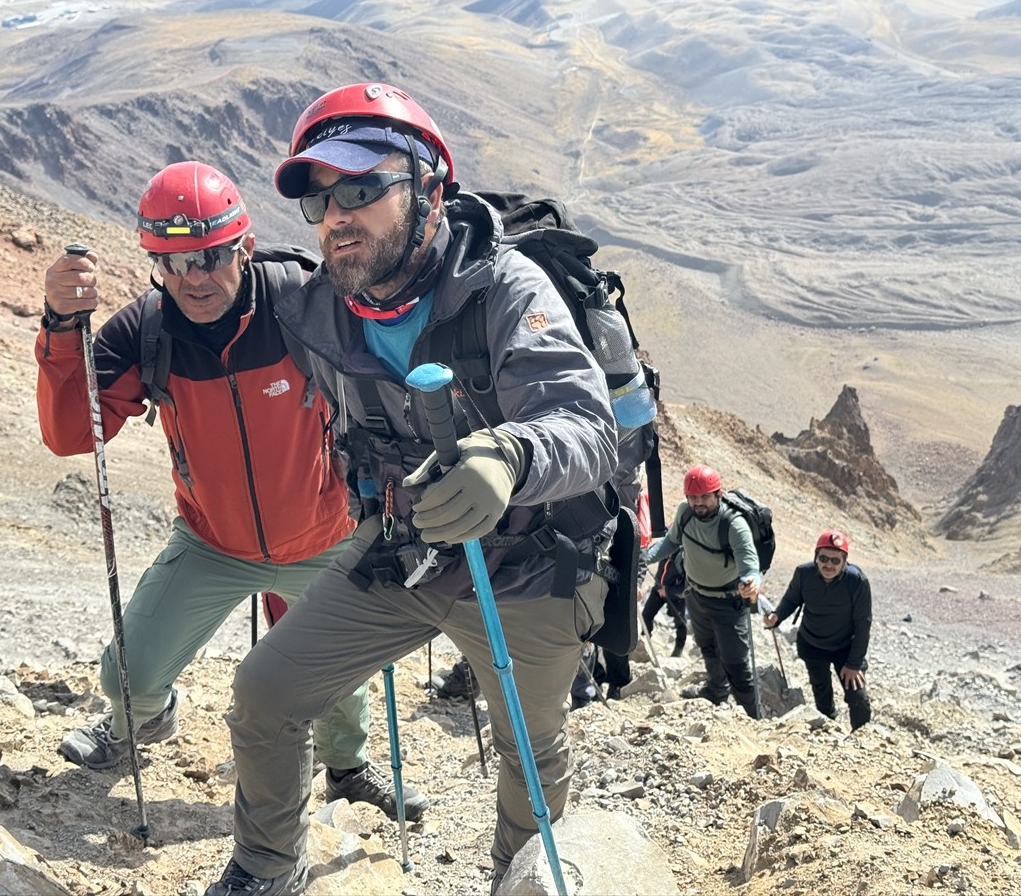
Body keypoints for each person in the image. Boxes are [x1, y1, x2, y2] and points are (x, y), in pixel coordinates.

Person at [203, 82, 617, 896]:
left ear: (430, 188)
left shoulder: (506, 290)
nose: (337, 215)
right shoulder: (322, 306)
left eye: (362, 188)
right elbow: (202, 302)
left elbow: (586, 422)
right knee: (266, 691)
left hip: (530, 565)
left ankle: (517, 879)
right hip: (402, 552)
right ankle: (262, 868)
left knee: (529, 750)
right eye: (321, 198)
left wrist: (510, 456)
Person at [36, 161, 427, 822]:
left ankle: (347, 771)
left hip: (322, 536)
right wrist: (58, 326)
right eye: (172, 261)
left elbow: (389, 366)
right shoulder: (147, 332)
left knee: (339, 679)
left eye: (209, 256)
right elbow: (75, 433)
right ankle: (145, 719)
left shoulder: (305, 302)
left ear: (243, 247)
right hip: (212, 542)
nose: (192, 278)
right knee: (123, 677)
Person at [641, 464, 762, 717]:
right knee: (707, 647)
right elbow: (671, 541)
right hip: (696, 596)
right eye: (693, 497)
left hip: (729, 603)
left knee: (736, 663)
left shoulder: (734, 524)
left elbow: (749, 564)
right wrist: (643, 558)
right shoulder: (685, 513)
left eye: (705, 496)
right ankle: (716, 693)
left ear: (719, 494)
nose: (698, 503)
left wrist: (751, 581)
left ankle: (752, 716)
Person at [764, 529, 872, 730]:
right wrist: (776, 617)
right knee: (822, 694)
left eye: (835, 560)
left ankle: (861, 738)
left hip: (845, 648)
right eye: (823, 558)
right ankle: (829, 732)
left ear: (844, 561)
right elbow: (792, 599)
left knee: (857, 697)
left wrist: (854, 663)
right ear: (816, 557)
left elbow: (863, 623)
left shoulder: (857, 581)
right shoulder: (804, 573)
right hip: (812, 645)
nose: (828, 565)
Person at [642, 552, 688, 658]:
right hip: (658, 589)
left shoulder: (688, 554)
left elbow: (687, 587)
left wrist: (667, 591)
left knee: (681, 623)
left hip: (676, 596)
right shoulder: (667, 547)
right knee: (646, 616)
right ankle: (645, 641)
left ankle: (678, 650)